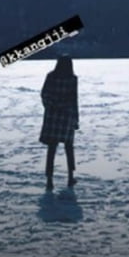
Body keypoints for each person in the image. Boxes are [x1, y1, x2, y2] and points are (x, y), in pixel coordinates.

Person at [39, 55, 79, 190]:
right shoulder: (72, 79)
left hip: (53, 117)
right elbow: (74, 100)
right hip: (67, 117)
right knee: (69, 148)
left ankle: (49, 180)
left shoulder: (51, 76)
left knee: (51, 149)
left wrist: (52, 106)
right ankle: (70, 177)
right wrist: (76, 119)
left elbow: (44, 94)